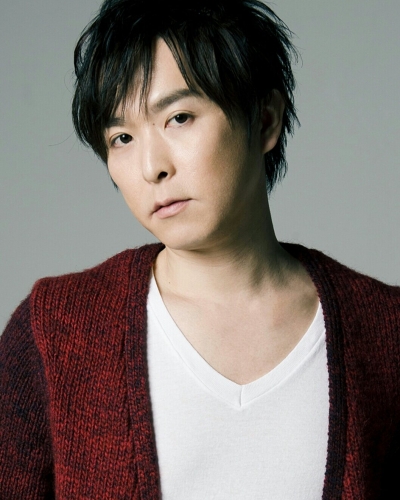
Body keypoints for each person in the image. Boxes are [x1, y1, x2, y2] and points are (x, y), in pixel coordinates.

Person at [0, 0, 399, 498]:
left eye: (180, 117)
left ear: (265, 120)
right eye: (121, 137)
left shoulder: (386, 333)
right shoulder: (57, 330)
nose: (152, 166)